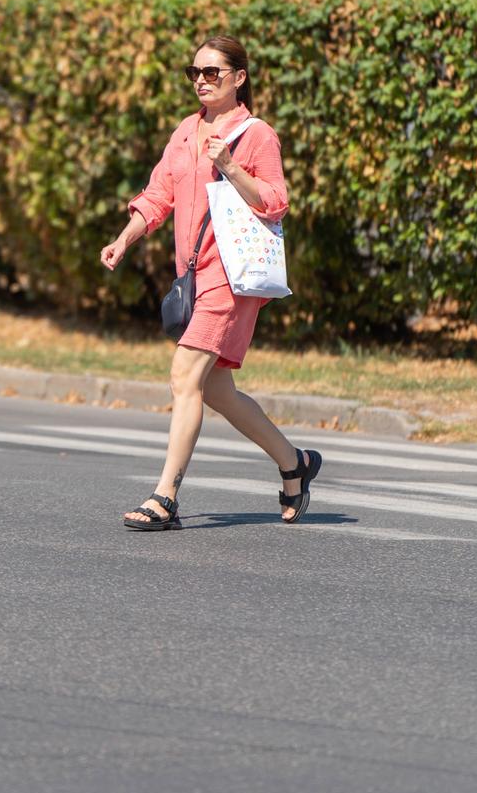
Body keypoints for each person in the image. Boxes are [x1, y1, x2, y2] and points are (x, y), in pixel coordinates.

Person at [100, 35, 320, 529]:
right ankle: (295, 463)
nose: (201, 80)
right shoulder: (185, 130)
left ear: (239, 78)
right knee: (217, 390)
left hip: (232, 276)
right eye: (194, 72)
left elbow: (274, 201)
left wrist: (229, 166)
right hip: (193, 274)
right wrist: (124, 239)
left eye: (212, 72)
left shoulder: (256, 134)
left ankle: (165, 498)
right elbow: (158, 195)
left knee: (184, 377)